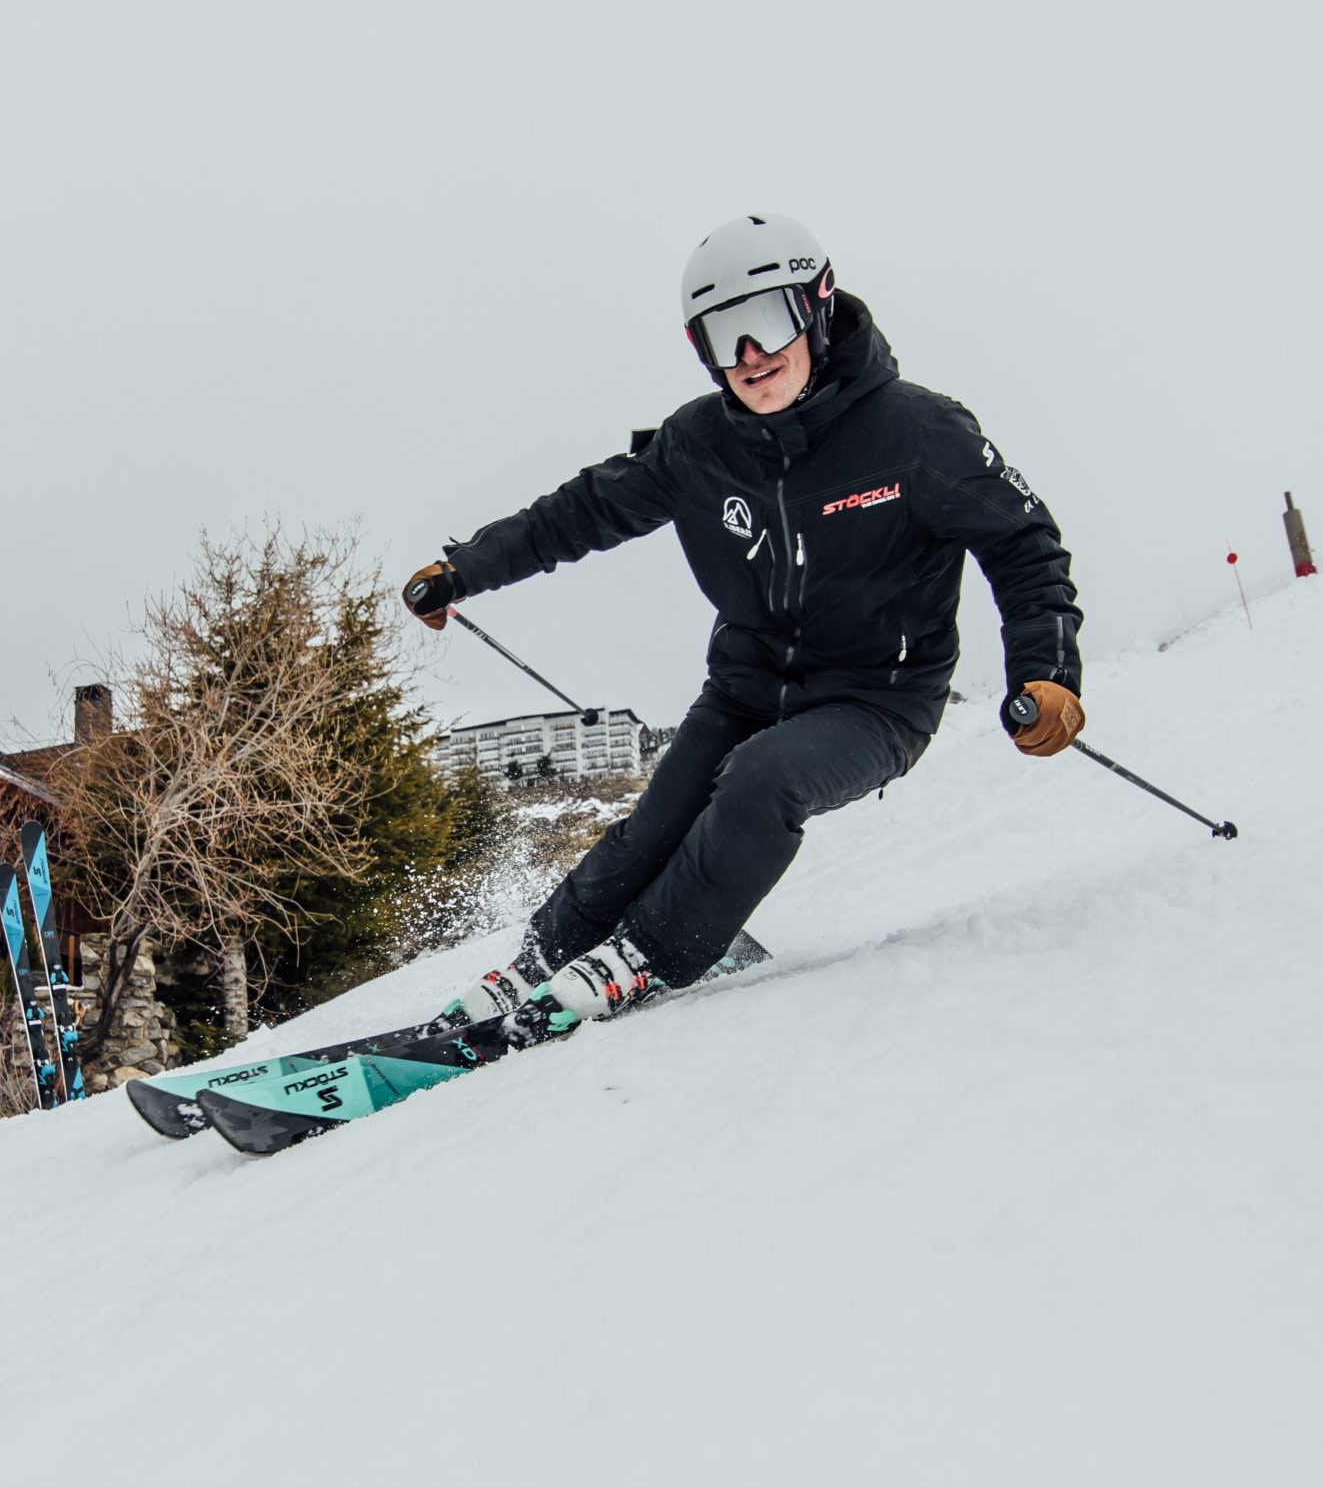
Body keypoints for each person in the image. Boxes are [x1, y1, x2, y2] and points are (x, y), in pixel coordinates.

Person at [404, 214, 1083, 1036]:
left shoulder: (917, 431)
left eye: (765, 323)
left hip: (878, 699)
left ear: (817, 308)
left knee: (761, 782)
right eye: (724, 337)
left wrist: (1045, 674)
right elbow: (580, 512)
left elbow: (1023, 544)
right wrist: (465, 568)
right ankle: (542, 961)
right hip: (747, 686)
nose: (750, 358)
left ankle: (650, 953)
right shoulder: (701, 443)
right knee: (652, 826)